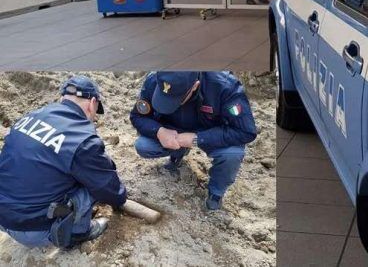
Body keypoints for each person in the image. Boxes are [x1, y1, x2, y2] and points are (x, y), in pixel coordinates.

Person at [0, 76, 127, 249]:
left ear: (62, 99)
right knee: (90, 185)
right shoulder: (83, 139)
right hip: (32, 230)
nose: (94, 117)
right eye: (96, 110)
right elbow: (109, 190)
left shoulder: (32, 116)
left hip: (3, 215)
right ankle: (78, 233)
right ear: (92, 103)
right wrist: (120, 197)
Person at [130, 71, 257, 211]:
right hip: (174, 130)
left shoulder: (225, 86)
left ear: (195, 86)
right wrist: (159, 131)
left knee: (232, 155)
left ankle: (216, 193)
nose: (169, 103)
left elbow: (246, 131)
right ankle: (177, 154)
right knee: (143, 146)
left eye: (176, 99)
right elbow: (137, 116)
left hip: (212, 133)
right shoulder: (154, 80)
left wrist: (198, 139)